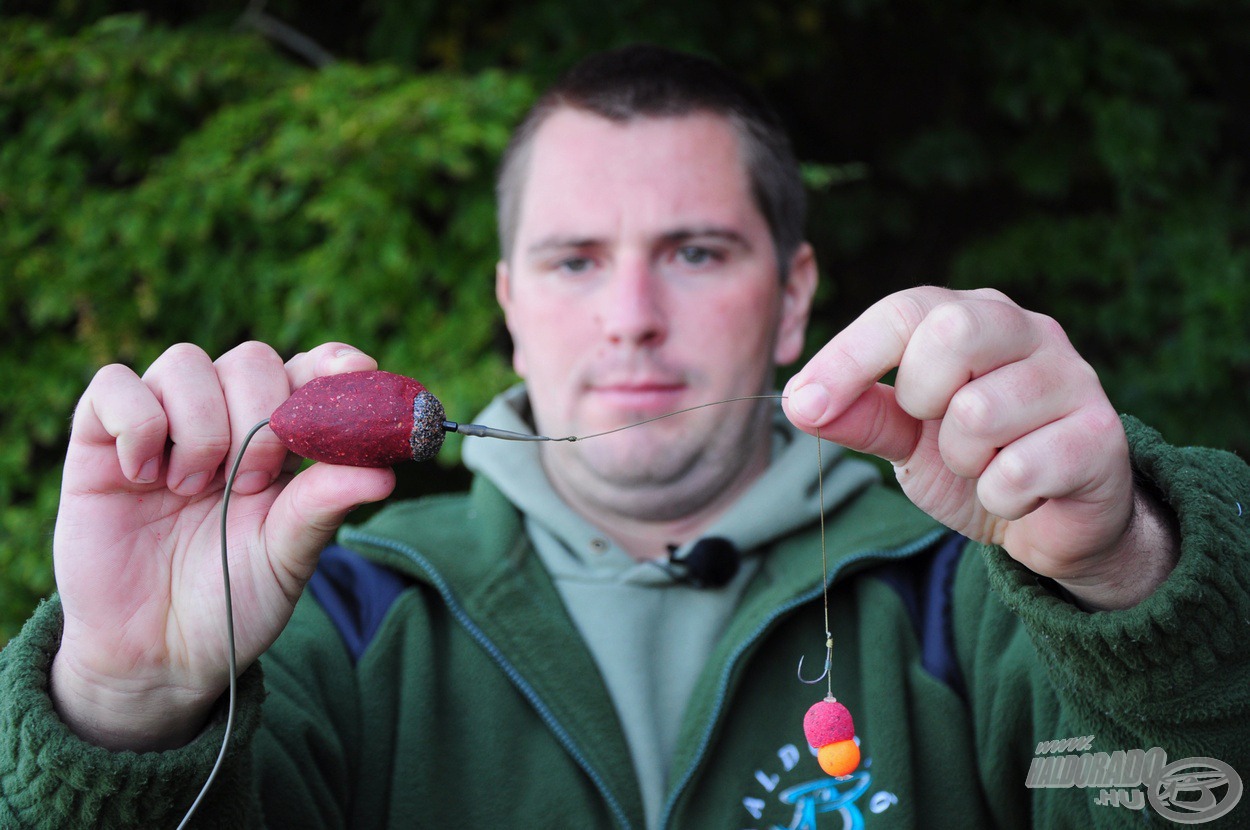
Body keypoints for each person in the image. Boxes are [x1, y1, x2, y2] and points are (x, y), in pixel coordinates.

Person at [1, 45, 1247, 829]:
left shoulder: (986, 598)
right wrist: (132, 703)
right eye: (574, 259)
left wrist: (1132, 578)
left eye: (694, 252)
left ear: (795, 294)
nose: (633, 319)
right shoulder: (333, 621)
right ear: (507, 301)